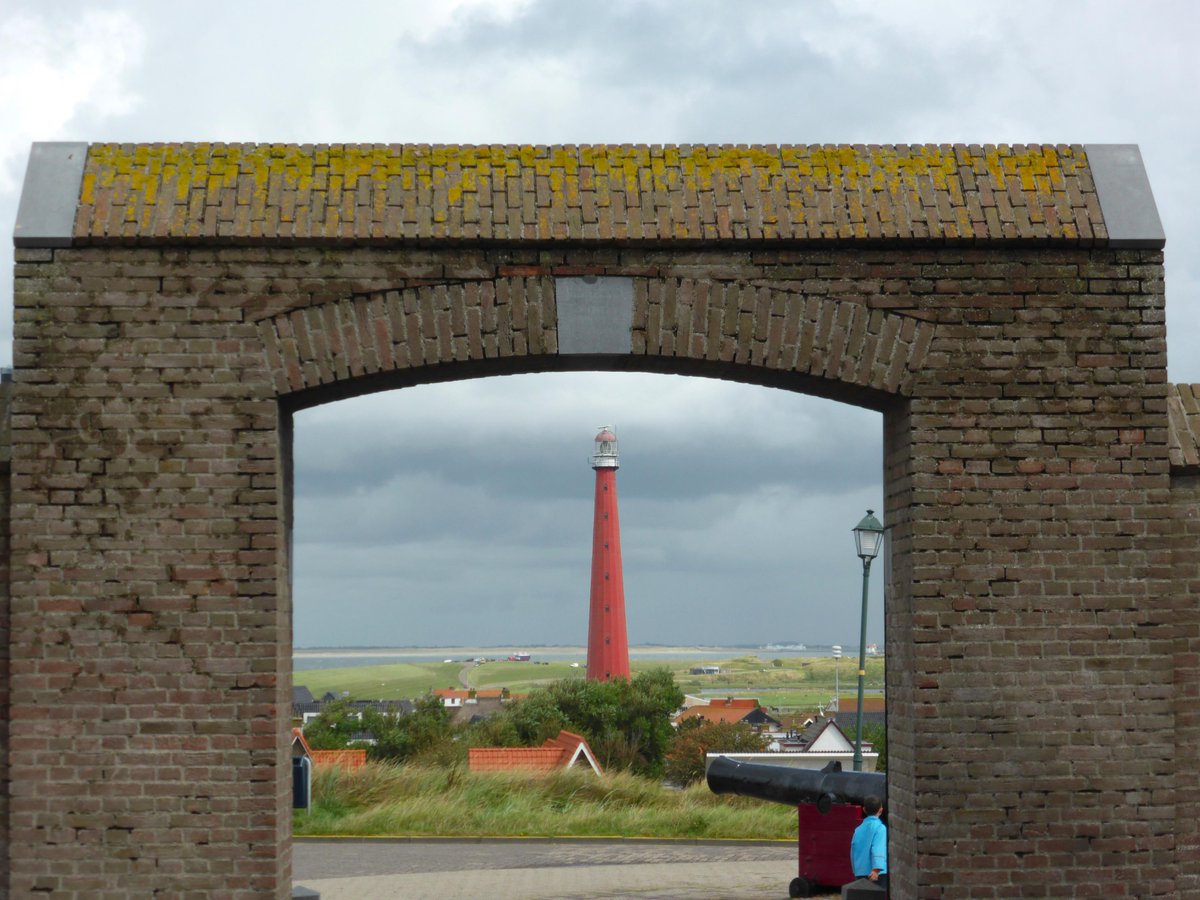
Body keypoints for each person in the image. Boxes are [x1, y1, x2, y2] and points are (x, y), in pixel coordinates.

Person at [850, 794, 887, 891]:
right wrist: (876, 869)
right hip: (876, 873)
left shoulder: (858, 830)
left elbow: (853, 850)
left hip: (860, 872)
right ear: (881, 810)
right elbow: (878, 848)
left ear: (864, 810)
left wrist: (855, 870)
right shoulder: (880, 828)